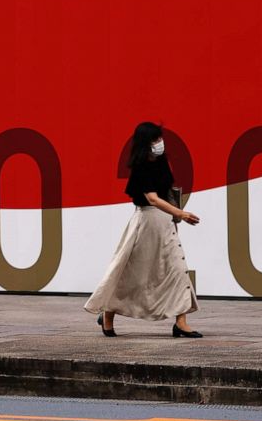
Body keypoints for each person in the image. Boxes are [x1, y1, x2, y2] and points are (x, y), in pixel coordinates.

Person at [84, 122, 203, 338]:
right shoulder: (141, 167)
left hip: (165, 223)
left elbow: (166, 192)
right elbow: (152, 199)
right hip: (146, 222)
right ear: (145, 143)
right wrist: (181, 213)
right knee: (132, 274)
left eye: (160, 139)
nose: (159, 143)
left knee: (177, 268)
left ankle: (181, 322)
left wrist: (176, 216)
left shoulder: (162, 162)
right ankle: (108, 313)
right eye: (155, 140)